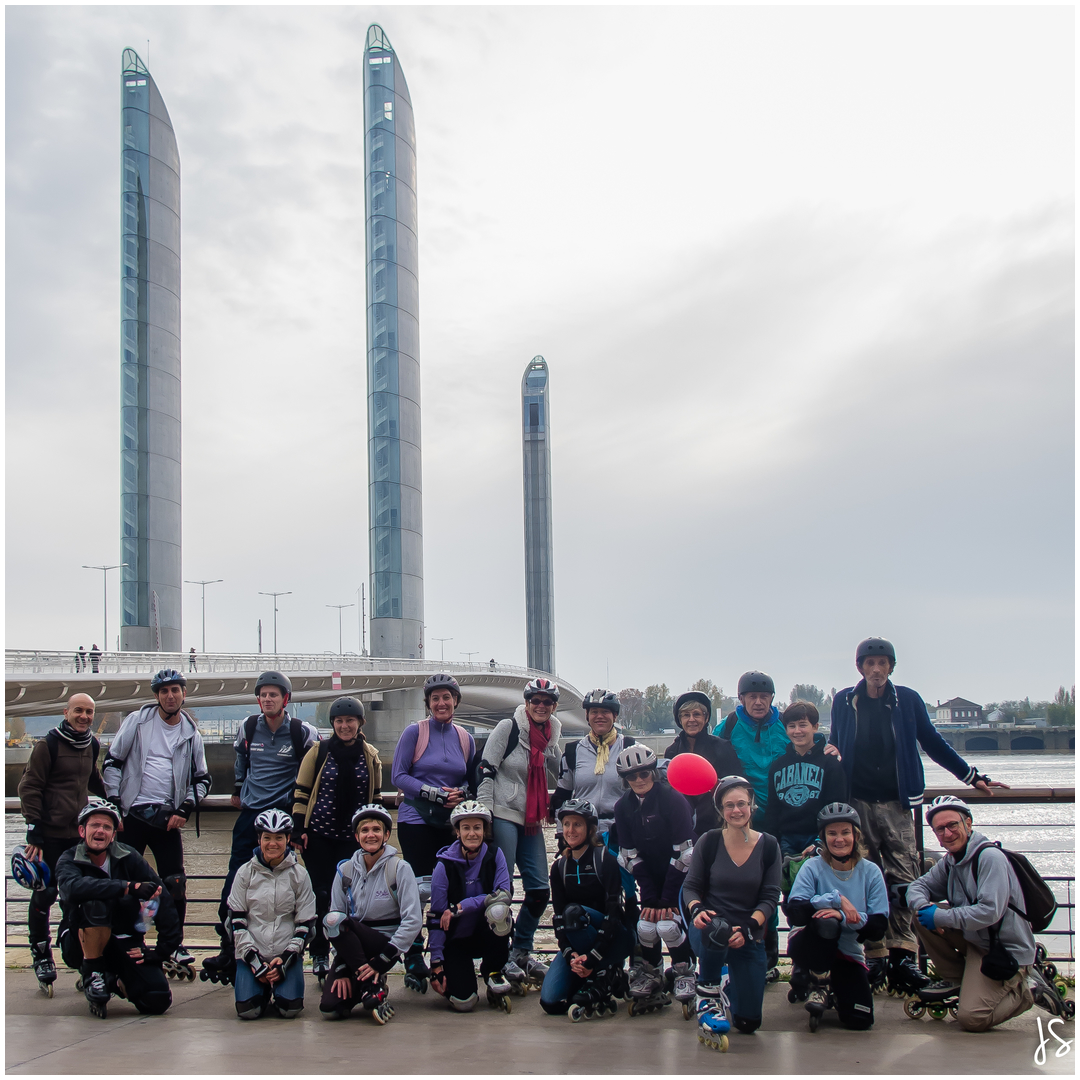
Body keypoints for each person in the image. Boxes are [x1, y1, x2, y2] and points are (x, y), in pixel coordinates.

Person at [830, 637, 1009, 994]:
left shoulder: (907, 701)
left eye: (883, 663)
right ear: (860, 669)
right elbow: (835, 743)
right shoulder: (844, 701)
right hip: (858, 800)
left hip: (897, 803)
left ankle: (903, 955)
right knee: (864, 877)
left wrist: (972, 777)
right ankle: (873, 953)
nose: (876, 670)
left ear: (891, 667)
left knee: (903, 878)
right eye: (870, 664)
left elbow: (933, 742)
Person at [714, 673, 841, 978]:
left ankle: (790, 958)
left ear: (772, 698)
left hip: (781, 816)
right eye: (751, 696)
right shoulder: (728, 727)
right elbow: (712, 756)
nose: (758, 702)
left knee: (782, 886)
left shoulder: (785, 724)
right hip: (741, 815)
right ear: (741, 698)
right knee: (750, 887)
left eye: (764, 697)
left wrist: (832, 750)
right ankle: (759, 953)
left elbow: (813, 745)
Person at [904, 795, 1065, 1029]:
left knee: (972, 1019)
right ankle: (958, 979)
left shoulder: (990, 858)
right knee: (921, 916)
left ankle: (1029, 990)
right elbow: (918, 887)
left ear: (968, 824)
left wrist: (939, 916)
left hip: (1006, 951)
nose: (947, 833)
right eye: (940, 829)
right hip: (977, 941)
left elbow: (989, 913)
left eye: (953, 825)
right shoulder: (951, 861)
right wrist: (923, 907)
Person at [202, 671, 318, 984]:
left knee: (297, 881)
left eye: (274, 695)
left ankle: (305, 951)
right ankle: (230, 947)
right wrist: (238, 788)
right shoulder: (249, 727)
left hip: (285, 814)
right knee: (234, 879)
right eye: (263, 695)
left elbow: (315, 767)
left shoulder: (301, 732)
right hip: (251, 813)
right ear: (258, 699)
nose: (268, 699)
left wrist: (302, 814)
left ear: (286, 699)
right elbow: (240, 758)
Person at [102, 669, 211, 980]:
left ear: (184, 694)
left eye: (175, 690)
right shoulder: (137, 722)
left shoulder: (191, 733)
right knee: (123, 883)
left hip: (166, 820)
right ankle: (124, 938)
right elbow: (112, 762)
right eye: (163, 691)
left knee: (174, 883)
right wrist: (113, 805)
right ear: (156, 696)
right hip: (131, 817)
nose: (170, 696)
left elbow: (202, 779)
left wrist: (186, 807)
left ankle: (173, 944)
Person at [390, 673, 476, 991]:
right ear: (428, 703)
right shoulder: (416, 732)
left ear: (456, 701)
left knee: (449, 892)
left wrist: (462, 794)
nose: (441, 703)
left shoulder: (465, 738)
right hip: (416, 820)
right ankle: (414, 956)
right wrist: (434, 793)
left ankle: (444, 955)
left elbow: (470, 780)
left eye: (447, 697)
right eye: (435, 698)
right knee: (419, 890)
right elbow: (398, 775)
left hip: (449, 824)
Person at [55, 798, 179, 1019]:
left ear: (114, 834)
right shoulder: (69, 858)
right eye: (95, 825)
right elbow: (72, 889)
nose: (100, 831)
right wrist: (127, 887)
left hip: (124, 938)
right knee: (95, 902)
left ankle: (112, 979)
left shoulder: (129, 857)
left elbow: (163, 898)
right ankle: (93, 972)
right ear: (82, 830)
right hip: (80, 941)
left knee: (157, 998)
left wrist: (161, 951)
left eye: (106, 827)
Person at [17, 692, 106, 994]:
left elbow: (91, 779)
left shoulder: (91, 744)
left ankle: (83, 960)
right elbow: (29, 786)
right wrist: (34, 830)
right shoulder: (49, 745)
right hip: (50, 836)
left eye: (89, 712)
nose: (84, 717)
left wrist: (115, 801)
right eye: (78, 711)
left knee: (76, 899)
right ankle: (41, 954)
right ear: (66, 712)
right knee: (46, 894)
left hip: (77, 835)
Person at [477, 676, 563, 988]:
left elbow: (557, 772)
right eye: (535, 701)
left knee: (540, 890)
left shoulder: (553, 732)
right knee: (503, 890)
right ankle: (498, 956)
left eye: (547, 702)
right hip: (502, 812)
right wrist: (485, 813)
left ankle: (521, 950)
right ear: (526, 703)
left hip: (532, 818)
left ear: (553, 707)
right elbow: (486, 768)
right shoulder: (508, 728)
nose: (540, 706)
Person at [684, 776, 781, 1044]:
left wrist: (750, 927)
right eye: (729, 805)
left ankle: (727, 980)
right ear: (720, 810)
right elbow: (690, 887)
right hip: (710, 930)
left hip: (747, 933)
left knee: (748, 1023)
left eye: (742, 804)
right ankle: (708, 995)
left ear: (752, 806)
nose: (736, 811)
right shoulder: (710, 841)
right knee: (718, 928)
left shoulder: (769, 845)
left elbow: (771, 897)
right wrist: (697, 910)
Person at [293, 695, 381, 985]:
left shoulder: (370, 755)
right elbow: (302, 792)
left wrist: (374, 837)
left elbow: (376, 799)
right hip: (318, 836)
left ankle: (347, 957)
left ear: (360, 723)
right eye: (339, 721)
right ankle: (319, 954)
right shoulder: (319, 751)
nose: (344, 726)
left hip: (352, 840)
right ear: (333, 724)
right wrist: (298, 830)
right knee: (320, 896)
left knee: (350, 901)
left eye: (350, 721)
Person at [785, 803, 889, 1030]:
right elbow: (796, 912)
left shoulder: (870, 871)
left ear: (856, 836)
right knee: (827, 922)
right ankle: (817, 980)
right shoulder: (812, 866)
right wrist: (835, 900)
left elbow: (878, 926)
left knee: (860, 1021)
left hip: (848, 951)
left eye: (845, 832)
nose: (839, 839)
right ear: (823, 837)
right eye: (832, 833)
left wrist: (845, 916)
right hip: (809, 944)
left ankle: (836, 987)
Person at [612, 744, 697, 1013]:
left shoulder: (673, 800)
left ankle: (684, 971)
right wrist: (649, 897)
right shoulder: (622, 807)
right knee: (646, 926)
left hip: (679, 876)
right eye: (631, 776)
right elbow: (628, 856)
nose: (638, 780)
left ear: (654, 773)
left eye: (644, 773)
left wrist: (666, 899)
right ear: (625, 780)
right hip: (649, 877)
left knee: (668, 925)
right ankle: (652, 971)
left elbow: (685, 854)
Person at [319, 803, 423, 1024]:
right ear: (357, 837)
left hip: (384, 943)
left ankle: (371, 980)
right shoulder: (345, 871)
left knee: (338, 921)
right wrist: (341, 965)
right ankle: (371, 985)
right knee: (330, 1008)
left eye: (377, 830)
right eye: (365, 830)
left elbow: (413, 920)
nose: (371, 835)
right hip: (353, 947)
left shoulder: (399, 868)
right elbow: (335, 921)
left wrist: (383, 960)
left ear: (386, 834)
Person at [540, 799, 633, 1020]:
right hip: (578, 938)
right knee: (551, 1002)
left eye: (577, 825)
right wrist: (568, 953)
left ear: (590, 828)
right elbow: (558, 919)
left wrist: (594, 957)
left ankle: (604, 971)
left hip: (614, 940)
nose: (571, 830)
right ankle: (597, 974)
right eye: (567, 824)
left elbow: (614, 914)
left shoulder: (605, 860)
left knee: (574, 913)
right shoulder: (559, 868)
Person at [227, 808, 316, 1020]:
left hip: (285, 953)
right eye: (267, 838)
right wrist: (255, 963)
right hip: (251, 953)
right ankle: (261, 990)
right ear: (259, 839)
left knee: (290, 1009)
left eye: (279, 838)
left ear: (287, 839)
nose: (272, 843)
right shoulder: (244, 873)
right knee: (248, 1011)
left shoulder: (299, 874)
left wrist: (285, 959)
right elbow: (236, 923)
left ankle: (279, 988)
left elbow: (305, 924)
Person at [427, 800, 515, 1012]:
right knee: (464, 1002)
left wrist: (461, 906)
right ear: (457, 832)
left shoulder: (495, 855)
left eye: (477, 827)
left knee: (499, 910)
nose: (472, 833)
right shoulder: (443, 865)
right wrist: (436, 963)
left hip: (486, 932)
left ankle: (493, 970)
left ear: (485, 830)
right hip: (457, 938)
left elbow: (503, 895)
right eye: (466, 828)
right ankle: (462, 980)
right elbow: (436, 916)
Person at [551, 687, 637, 846]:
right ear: (587, 716)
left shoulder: (630, 748)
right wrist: (561, 835)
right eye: (594, 712)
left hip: (622, 831)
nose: (599, 716)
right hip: (583, 832)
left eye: (605, 712)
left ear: (615, 715)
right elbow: (562, 796)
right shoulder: (572, 752)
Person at [664, 690, 743, 834]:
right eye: (686, 715)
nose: (691, 719)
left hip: (717, 823)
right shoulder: (672, 752)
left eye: (697, 714)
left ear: (706, 718)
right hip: (683, 825)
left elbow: (736, 786)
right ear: (679, 720)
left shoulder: (723, 748)